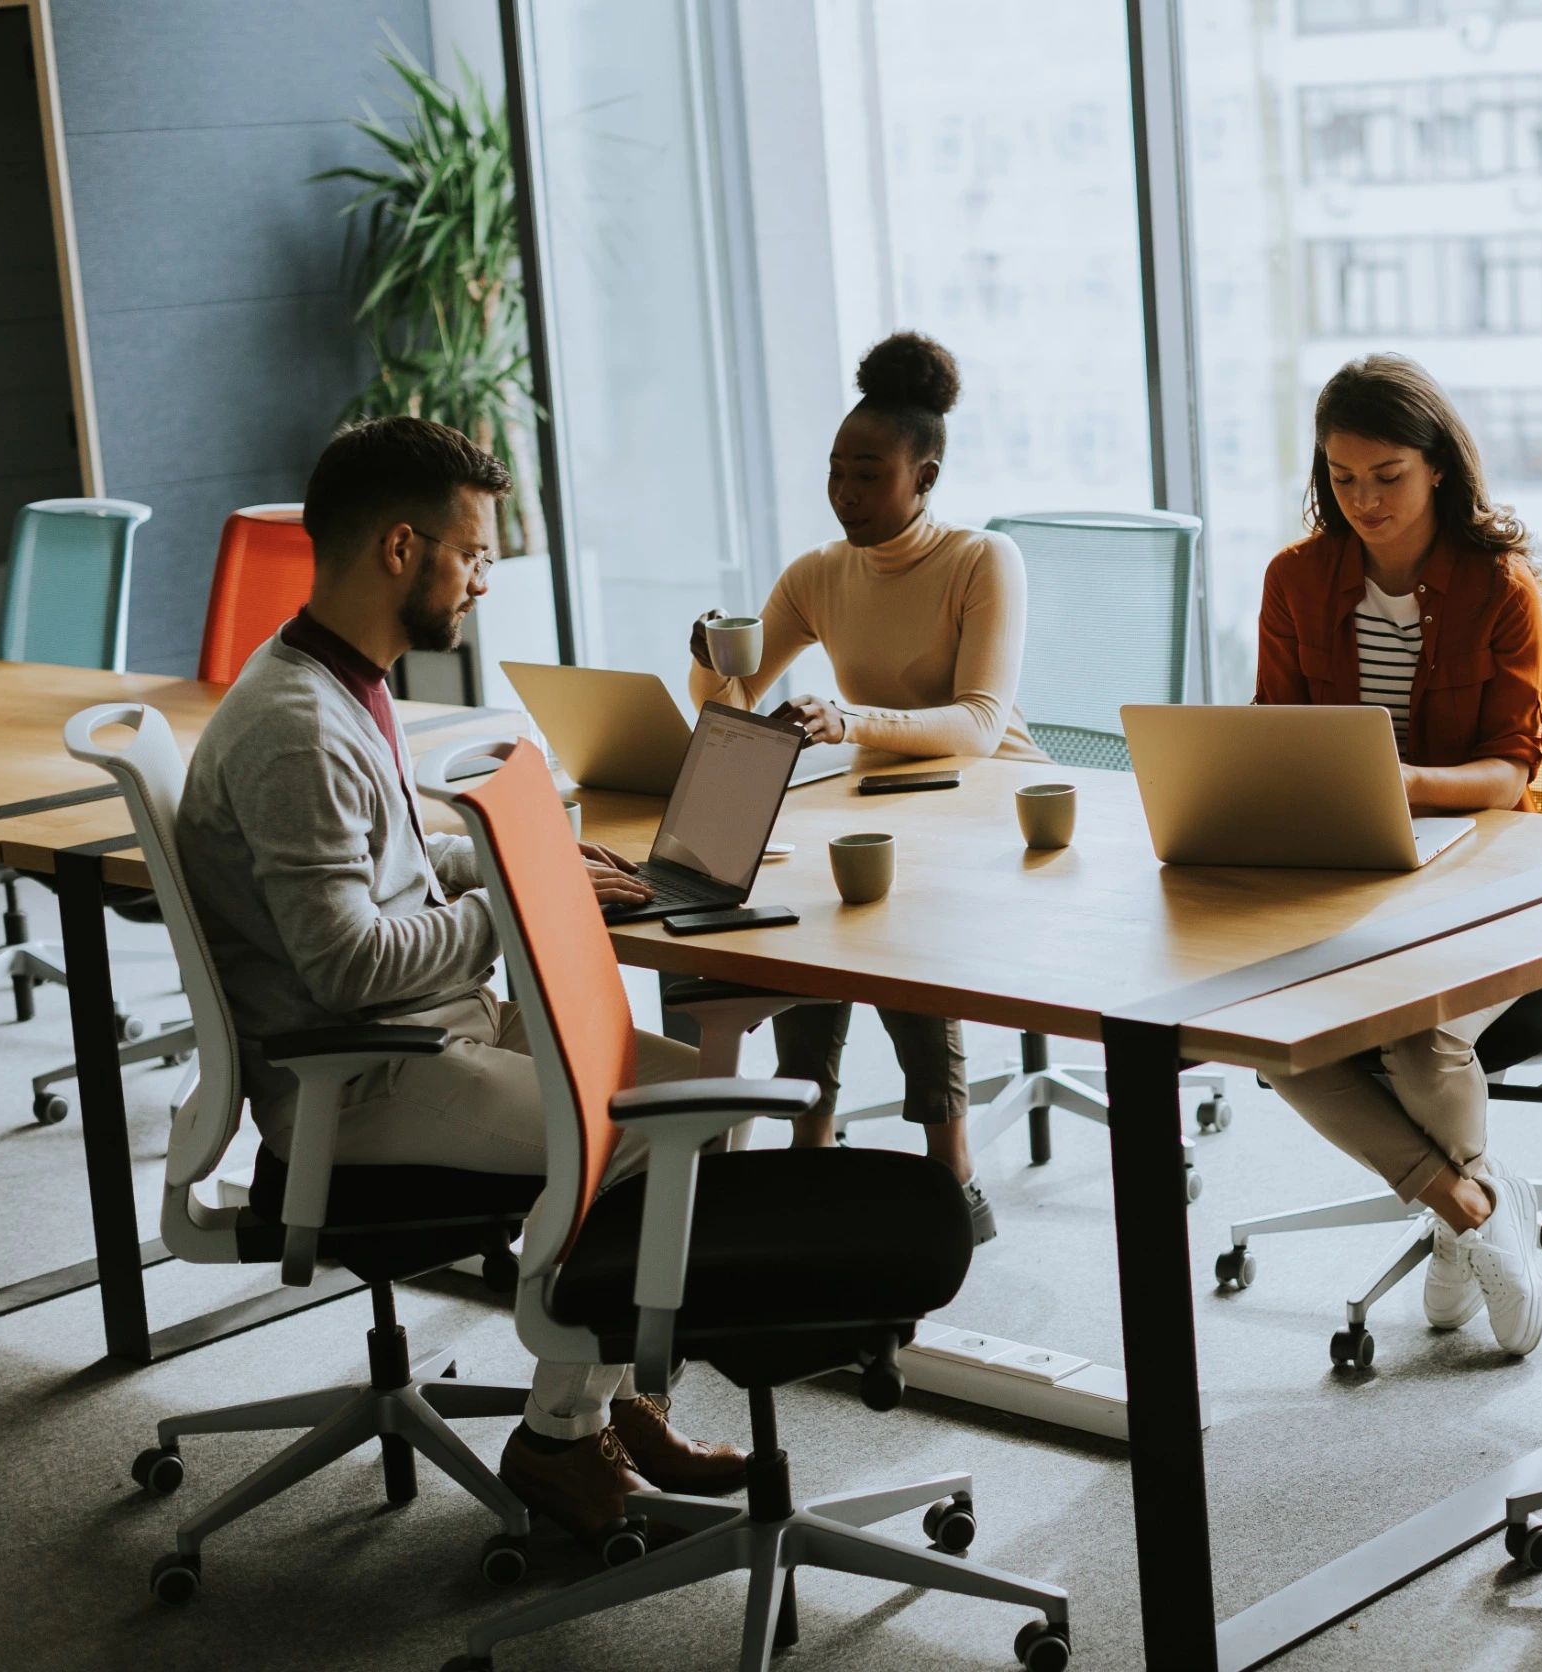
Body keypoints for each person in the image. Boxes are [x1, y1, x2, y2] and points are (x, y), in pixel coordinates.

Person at [179, 416, 746, 1554]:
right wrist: (521, 909)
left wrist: (526, 861)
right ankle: (554, 1436)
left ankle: (618, 1403)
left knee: (698, 1098)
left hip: (424, 1032)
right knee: (642, 1133)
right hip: (363, 1075)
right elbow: (343, 960)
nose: (483, 579)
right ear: (400, 548)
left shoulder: (335, 678)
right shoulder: (297, 729)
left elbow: (384, 861)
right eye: (471, 555)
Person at [1254, 354, 1542, 1359]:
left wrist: (1392, 781)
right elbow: (1274, 733)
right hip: (1347, 871)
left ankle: (1464, 1213)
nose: (1364, 500)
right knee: (1263, 1028)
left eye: (1388, 476)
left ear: (1438, 470)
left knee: (1421, 1040)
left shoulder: (1499, 586)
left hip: (1487, 871)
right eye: (1342, 478)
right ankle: (1476, 1205)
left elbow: (1510, 772)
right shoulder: (1296, 579)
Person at [685, 331, 1043, 1243]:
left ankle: (949, 1165)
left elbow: (980, 724)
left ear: (924, 478)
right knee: (802, 902)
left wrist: (851, 721)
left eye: (869, 474)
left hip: (982, 798)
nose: (846, 492)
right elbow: (734, 708)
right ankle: (814, 1144)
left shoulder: (979, 561)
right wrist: (710, 664)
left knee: (889, 916)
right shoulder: (818, 573)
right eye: (836, 471)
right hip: (874, 798)